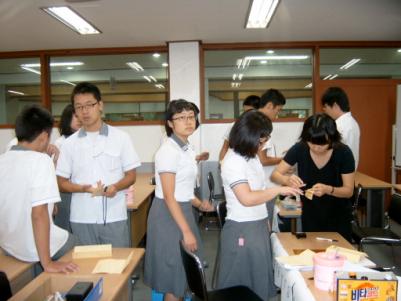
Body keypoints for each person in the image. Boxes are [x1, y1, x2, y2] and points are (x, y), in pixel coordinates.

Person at [217, 110, 301, 301]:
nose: (262, 145)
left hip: (256, 224)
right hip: (241, 228)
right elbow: (246, 198)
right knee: (240, 286)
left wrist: (286, 180)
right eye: (261, 141)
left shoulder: (251, 156)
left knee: (258, 282)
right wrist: (279, 190)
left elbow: (259, 188)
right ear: (247, 137)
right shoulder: (232, 162)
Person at [144, 99, 214, 301]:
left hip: (181, 210)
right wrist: (186, 231)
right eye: (181, 117)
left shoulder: (187, 148)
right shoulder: (168, 151)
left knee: (183, 275)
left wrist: (199, 204)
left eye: (191, 116)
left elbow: (183, 190)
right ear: (170, 123)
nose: (188, 121)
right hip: (168, 215)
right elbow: (169, 196)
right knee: (174, 277)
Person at [56, 82, 141, 247]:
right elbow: (61, 183)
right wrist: (82, 188)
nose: (84, 111)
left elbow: (131, 176)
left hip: (114, 215)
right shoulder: (69, 144)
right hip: (82, 218)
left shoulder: (121, 138)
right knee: (86, 269)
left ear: (100, 105)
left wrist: (115, 187)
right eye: (79, 107)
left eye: (89, 105)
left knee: (117, 267)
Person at [0, 105, 78, 274]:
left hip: (8, 244)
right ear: (44, 136)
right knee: (78, 244)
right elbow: (39, 214)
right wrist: (47, 262)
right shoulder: (41, 161)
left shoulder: (2, 160)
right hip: (31, 248)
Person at [271, 113, 355, 241]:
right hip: (311, 214)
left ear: (332, 138)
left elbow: (348, 191)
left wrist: (328, 189)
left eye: (322, 144)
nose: (316, 148)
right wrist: (286, 180)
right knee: (312, 252)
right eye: (311, 143)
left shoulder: (343, 153)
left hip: (338, 215)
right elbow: (275, 175)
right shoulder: (300, 148)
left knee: (339, 255)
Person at [257, 89, 286, 229]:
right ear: (269, 105)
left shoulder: (257, 121)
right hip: (264, 185)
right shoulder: (261, 124)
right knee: (265, 226)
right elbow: (262, 159)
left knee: (266, 224)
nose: (277, 114)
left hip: (265, 184)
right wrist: (282, 160)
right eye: (277, 110)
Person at [53, 104, 81, 232]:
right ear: (66, 119)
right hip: (65, 192)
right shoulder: (60, 143)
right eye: (75, 116)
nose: (79, 119)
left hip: (81, 191)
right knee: (66, 228)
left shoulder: (84, 140)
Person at [321, 86, 360, 169]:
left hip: (340, 173)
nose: (324, 111)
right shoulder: (352, 122)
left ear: (335, 105)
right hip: (347, 171)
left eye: (326, 107)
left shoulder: (339, 126)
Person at [218, 95, 260, 162]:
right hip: (235, 163)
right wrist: (221, 163)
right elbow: (225, 148)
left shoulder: (261, 127)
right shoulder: (234, 125)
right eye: (244, 111)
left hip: (252, 164)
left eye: (250, 111)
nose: (246, 114)